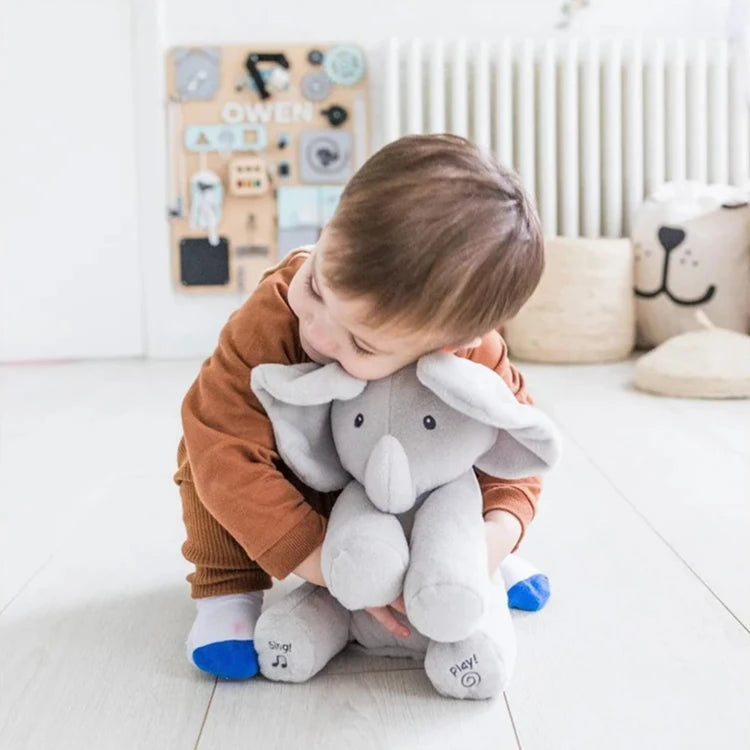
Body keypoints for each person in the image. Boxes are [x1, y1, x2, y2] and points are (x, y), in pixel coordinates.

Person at [174, 134, 546, 680]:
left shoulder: (473, 356)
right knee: (204, 454)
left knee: (459, 458)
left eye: (362, 344)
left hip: (396, 496)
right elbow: (219, 444)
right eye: (319, 286)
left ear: (446, 347)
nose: (319, 333)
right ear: (329, 229)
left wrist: (485, 545)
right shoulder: (272, 314)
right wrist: (322, 564)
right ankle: (226, 588)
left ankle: (459, 559)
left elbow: (517, 447)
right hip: (294, 488)